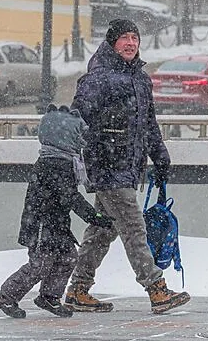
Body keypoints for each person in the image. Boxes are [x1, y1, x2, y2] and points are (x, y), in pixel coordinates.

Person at [64, 19, 191, 314]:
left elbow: (148, 124)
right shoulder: (98, 78)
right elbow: (77, 119)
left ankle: (78, 289)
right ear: (112, 43)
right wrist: (93, 149)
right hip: (107, 168)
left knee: (102, 230)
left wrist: (160, 157)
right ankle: (157, 290)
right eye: (124, 38)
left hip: (127, 167)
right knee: (134, 228)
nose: (131, 43)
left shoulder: (140, 79)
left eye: (134, 38)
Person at [0, 104, 114, 319]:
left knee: (68, 258)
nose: (82, 140)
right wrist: (94, 217)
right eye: (78, 134)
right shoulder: (54, 163)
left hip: (56, 223)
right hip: (42, 224)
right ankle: (7, 295)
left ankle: (49, 296)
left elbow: (67, 196)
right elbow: (69, 196)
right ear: (65, 136)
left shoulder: (65, 161)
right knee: (40, 264)